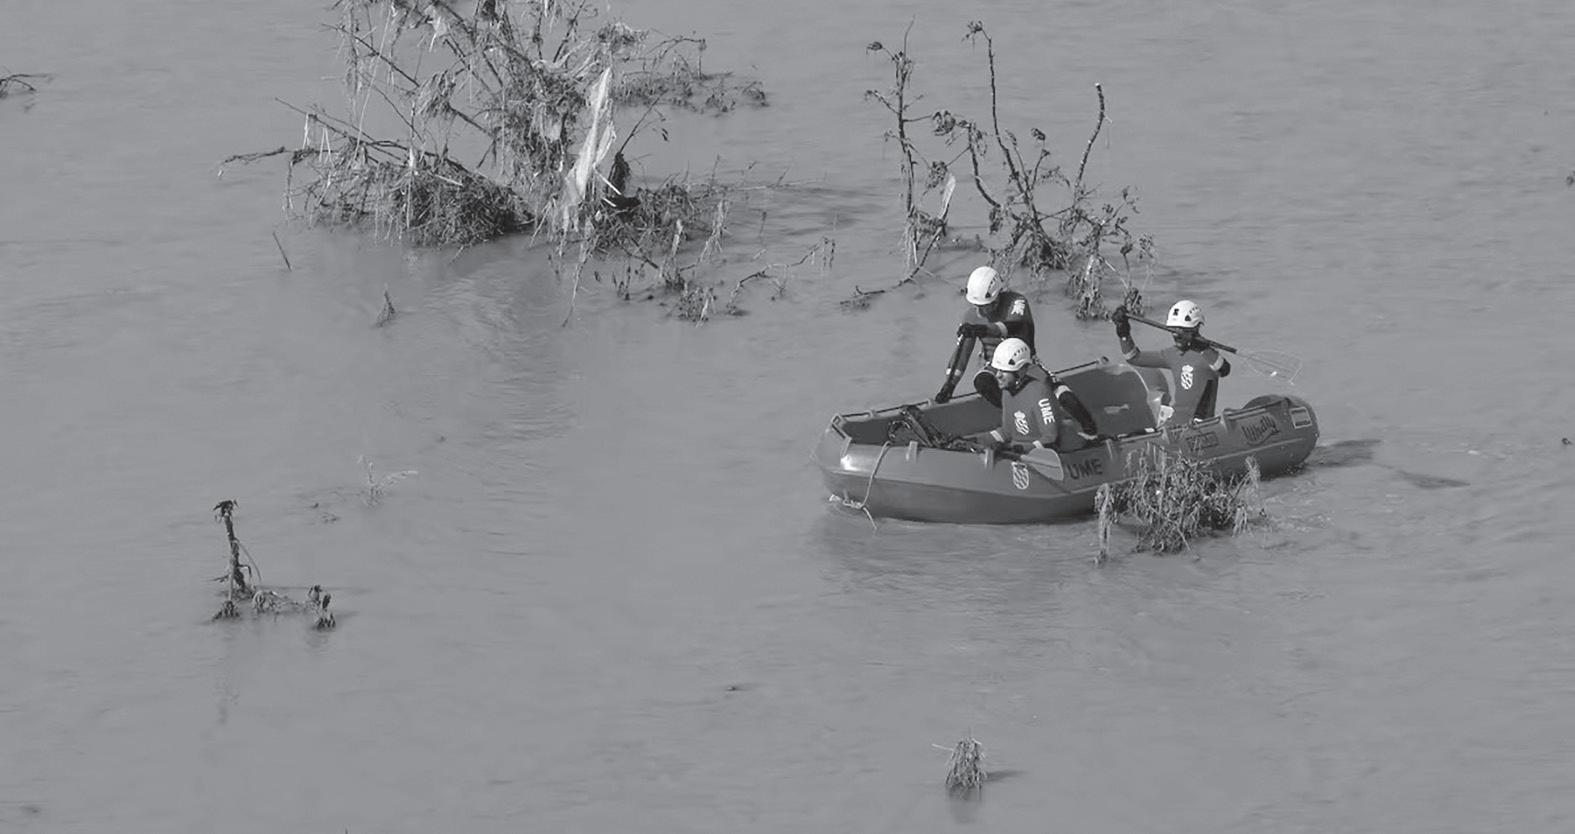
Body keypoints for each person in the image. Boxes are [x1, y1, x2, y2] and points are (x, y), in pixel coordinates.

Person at [1111, 300, 1232, 424]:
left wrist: (1203, 348)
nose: (1176, 335)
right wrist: (1123, 333)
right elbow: (1133, 357)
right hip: (1175, 423)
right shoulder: (1172, 354)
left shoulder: (1207, 355)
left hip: (1200, 425)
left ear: (1195, 328)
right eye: (1173, 330)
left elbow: (1224, 369)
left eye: (1181, 331)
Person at [934, 265, 1036, 404]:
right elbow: (961, 354)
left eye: (985, 306)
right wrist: (949, 385)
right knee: (982, 381)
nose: (981, 311)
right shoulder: (971, 317)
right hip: (995, 366)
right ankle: (1006, 408)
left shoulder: (1016, 301)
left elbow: (1014, 326)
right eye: (977, 306)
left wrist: (981, 329)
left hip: (1021, 363)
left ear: (997, 297)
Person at [981, 338, 1103, 453]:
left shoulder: (1039, 392)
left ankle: (1095, 440)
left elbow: (1050, 439)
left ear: (1020, 370)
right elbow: (1006, 432)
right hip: (1021, 452)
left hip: (1052, 453)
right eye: (997, 370)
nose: (998, 375)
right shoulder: (1007, 392)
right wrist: (979, 440)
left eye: (1003, 371)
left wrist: (1017, 449)